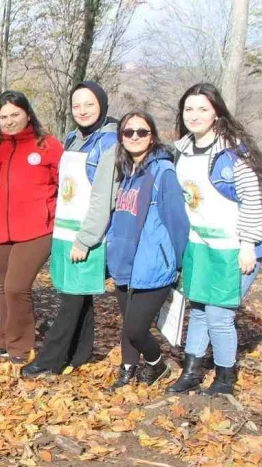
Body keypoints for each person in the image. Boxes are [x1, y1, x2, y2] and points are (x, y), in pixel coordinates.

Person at [168, 83, 262, 396]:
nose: (195, 115)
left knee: (219, 312)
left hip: (236, 246)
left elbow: (253, 200)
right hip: (201, 245)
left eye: (203, 108)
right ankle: (191, 371)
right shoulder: (184, 149)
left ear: (216, 112)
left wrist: (248, 245)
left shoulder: (233, 153)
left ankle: (225, 379)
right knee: (199, 308)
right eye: (189, 109)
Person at [23, 82, 119, 377]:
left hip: (87, 234)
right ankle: (80, 353)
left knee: (70, 300)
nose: (83, 111)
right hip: (65, 231)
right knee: (80, 294)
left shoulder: (109, 143)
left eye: (89, 104)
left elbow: (104, 197)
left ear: (101, 104)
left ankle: (49, 360)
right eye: (77, 105)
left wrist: (86, 239)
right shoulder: (74, 138)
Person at [105, 111, 188, 389]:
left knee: (136, 328)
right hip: (125, 262)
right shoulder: (128, 171)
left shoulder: (163, 172)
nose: (135, 137)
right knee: (128, 323)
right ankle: (127, 368)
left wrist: (177, 264)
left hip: (154, 263)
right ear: (121, 137)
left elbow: (177, 223)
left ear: (152, 136)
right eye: (129, 132)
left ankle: (157, 364)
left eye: (142, 132)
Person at [0, 91, 63, 363]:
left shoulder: (47, 145)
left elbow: (67, 187)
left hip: (38, 229)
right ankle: (3, 339)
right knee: (4, 287)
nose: (9, 121)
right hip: (1, 231)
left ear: (27, 114)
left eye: (15, 114)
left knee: (16, 287)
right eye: (3, 117)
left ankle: (19, 347)